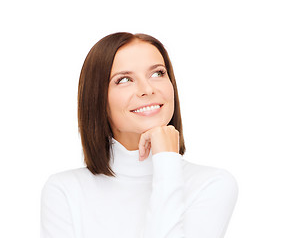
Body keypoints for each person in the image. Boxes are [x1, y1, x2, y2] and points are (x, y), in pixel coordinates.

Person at [40, 32, 238, 238]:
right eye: (124, 79)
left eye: (157, 73)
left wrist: (166, 161)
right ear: (97, 98)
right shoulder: (64, 191)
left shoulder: (212, 184)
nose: (147, 89)